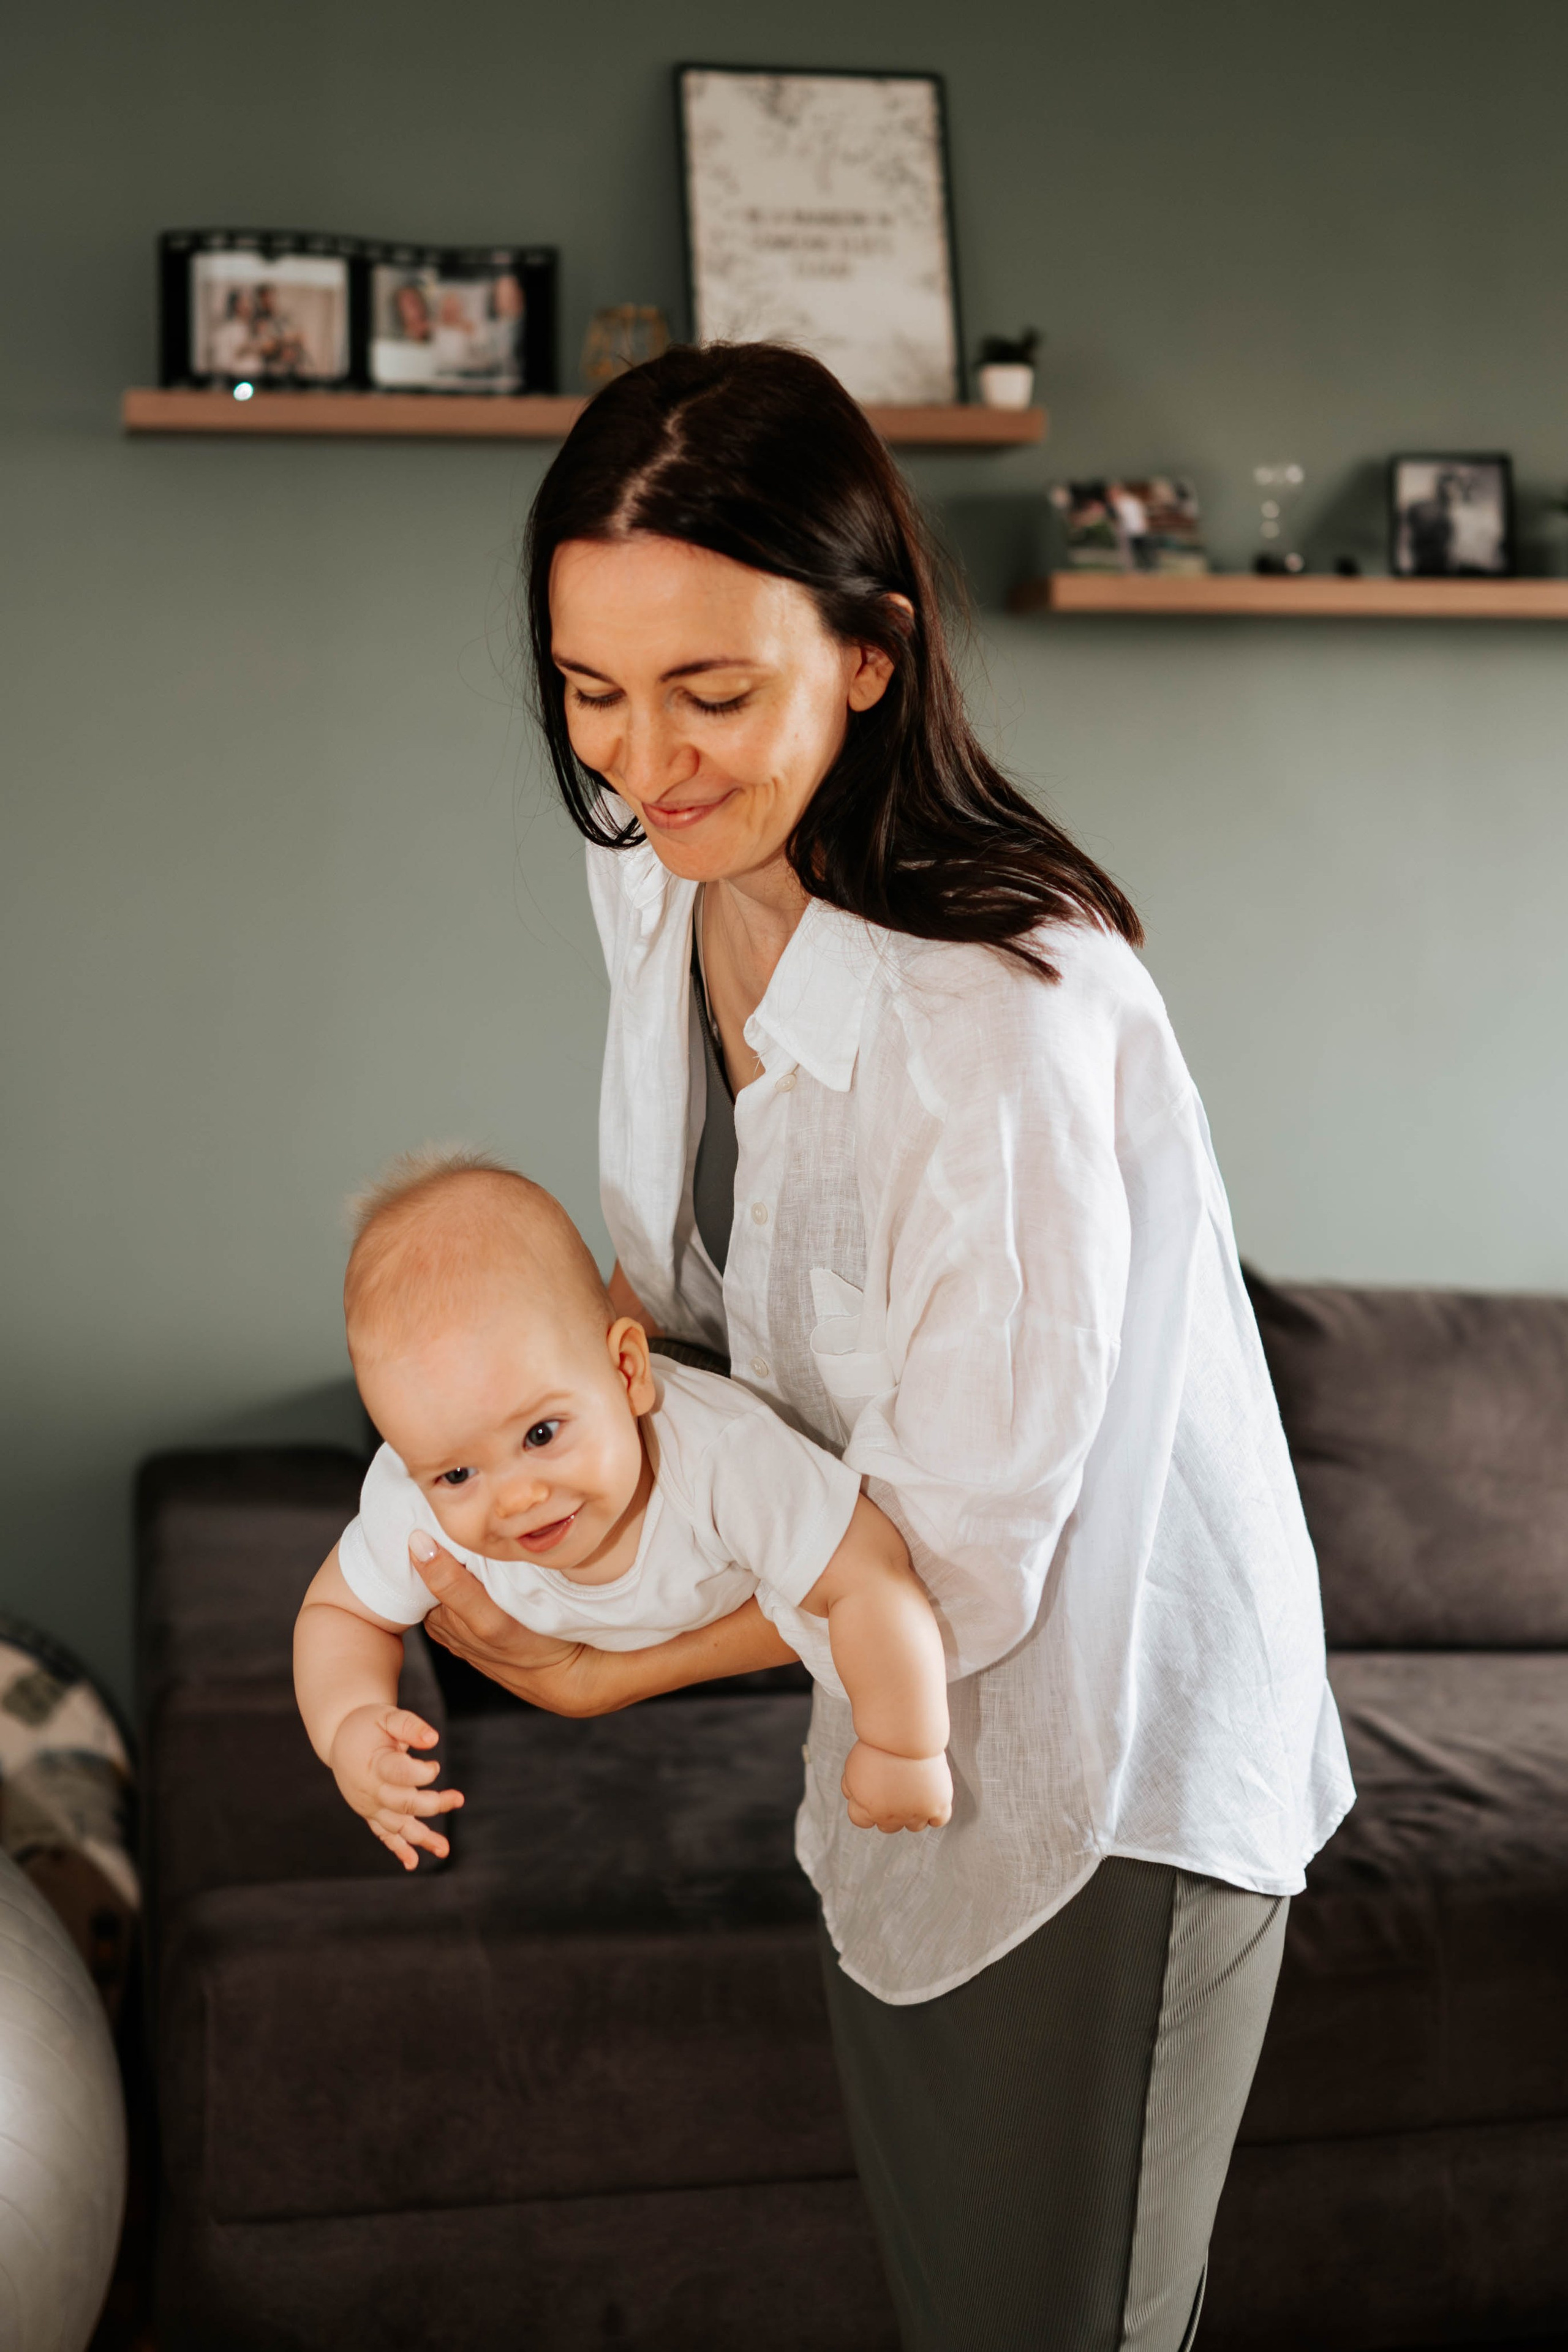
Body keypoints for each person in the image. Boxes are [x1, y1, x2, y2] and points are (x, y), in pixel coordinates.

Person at [407, 342, 1355, 2351]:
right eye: (591, 690)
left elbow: (966, 1554)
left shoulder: (1004, 1017)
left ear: (868, 655)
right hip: (902, 1735)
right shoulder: (658, 884)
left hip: (1108, 1760)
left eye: (711, 693)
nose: (643, 759)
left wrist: (613, 1671)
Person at [294, 1153, 952, 1871]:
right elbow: (339, 1615)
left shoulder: (725, 1459)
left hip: (713, 1417)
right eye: (456, 1472)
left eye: (541, 1435)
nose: (515, 1499)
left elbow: (870, 1574)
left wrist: (900, 1742)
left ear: (628, 1374)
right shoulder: (414, 1503)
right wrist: (348, 1729)